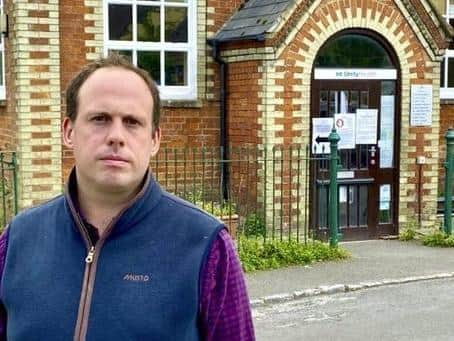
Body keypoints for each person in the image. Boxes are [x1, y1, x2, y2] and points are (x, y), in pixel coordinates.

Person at [0, 55, 255, 340]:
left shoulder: (206, 245)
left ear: (154, 139)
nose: (116, 136)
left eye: (132, 122)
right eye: (100, 119)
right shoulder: (18, 240)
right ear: (68, 131)